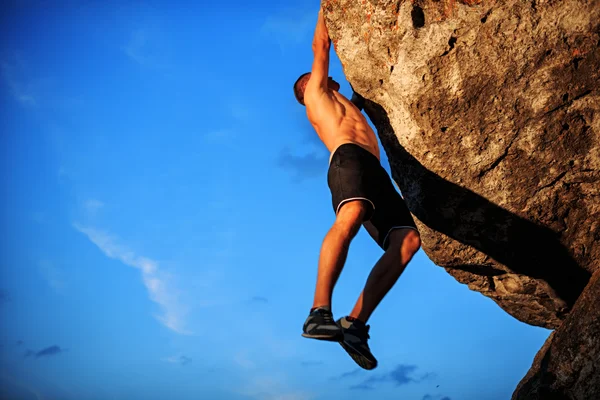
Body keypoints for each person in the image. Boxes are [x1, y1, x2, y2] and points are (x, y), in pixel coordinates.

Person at [293, 8, 421, 371]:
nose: (325, 75)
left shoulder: (346, 103)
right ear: (306, 88)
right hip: (348, 159)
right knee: (351, 215)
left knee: (408, 241)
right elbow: (321, 45)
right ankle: (319, 311)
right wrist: (323, 8)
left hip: (374, 171)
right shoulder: (316, 95)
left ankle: (355, 324)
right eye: (315, 76)